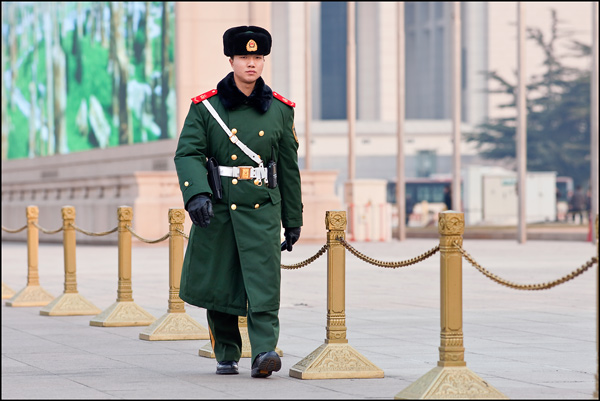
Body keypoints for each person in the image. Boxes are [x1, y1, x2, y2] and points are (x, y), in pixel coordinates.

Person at [174, 25, 303, 378]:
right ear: (231, 59)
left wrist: (293, 219)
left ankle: (264, 351)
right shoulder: (206, 107)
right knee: (221, 283)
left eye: (258, 57)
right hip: (219, 207)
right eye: (244, 57)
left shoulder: (280, 110)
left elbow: (288, 168)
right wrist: (196, 194)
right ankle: (227, 352)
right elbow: (188, 153)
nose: (251, 63)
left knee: (264, 282)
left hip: (263, 207)